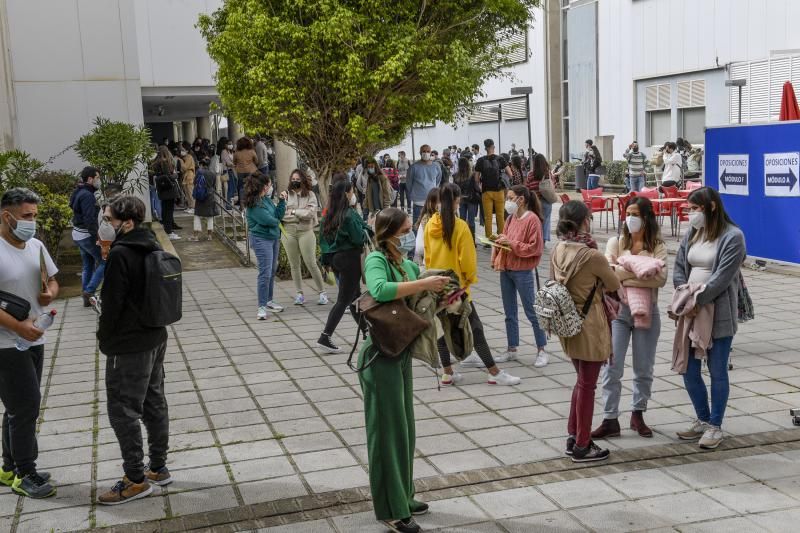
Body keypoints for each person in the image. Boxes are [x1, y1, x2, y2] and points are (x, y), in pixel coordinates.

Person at [359, 208, 449, 533]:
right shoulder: (376, 260)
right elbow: (380, 290)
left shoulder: (403, 261)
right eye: (405, 230)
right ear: (391, 232)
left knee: (405, 430)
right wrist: (424, 281)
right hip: (379, 355)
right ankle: (391, 510)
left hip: (400, 351)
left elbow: (421, 279)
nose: (410, 235)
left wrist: (443, 284)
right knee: (386, 434)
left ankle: (403, 496)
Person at [96, 196, 172, 505]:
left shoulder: (121, 254)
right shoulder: (152, 243)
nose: (105, 223)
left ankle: (135, 480)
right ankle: (157, 467)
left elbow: (112, 305)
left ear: (126, 223)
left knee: (123, 409)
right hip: (155, 335)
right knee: (154, 399)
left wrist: (104, 337)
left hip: (128, 344)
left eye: (109, 218)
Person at [425, 183, 521, 386]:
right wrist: (468, 280)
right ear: (457, 200)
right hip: (456, 286)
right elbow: (468, 261)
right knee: (475, 329)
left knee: (442, 329)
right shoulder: (460, 226)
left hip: (435, 283)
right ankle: (493, 372)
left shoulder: (430, 224)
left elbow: (426, 256)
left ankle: (447, 372)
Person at [673, 187, 746, 449]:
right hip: (689, 312)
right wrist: (684, 295)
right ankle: (702, 419)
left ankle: (715, 425)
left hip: (717, 313)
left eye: (695, 209)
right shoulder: (693, 233)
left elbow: (721, 280)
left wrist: (695, 300)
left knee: (717, 371)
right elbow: (680, 266)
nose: (691, 214)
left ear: (712, 207)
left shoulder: (733, 237)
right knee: (688, 369)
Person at [592, 197, 667, 440]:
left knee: (643, 368)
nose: (630, 218)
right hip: (618, 313)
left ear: (646, 217)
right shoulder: (616, 243)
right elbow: (608, 277)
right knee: (612, 367)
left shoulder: (657, 246)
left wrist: (624, 273)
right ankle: (610, 417)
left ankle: (638, 413)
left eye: (635, 213)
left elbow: (660, 279)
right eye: (627, 212)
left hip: (648, 312)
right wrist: (641, 271)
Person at [0, 188, 59, 499]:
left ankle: (8, 467)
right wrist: (19, 328)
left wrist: (50, 292)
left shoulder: (35, 245)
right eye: (26, 216)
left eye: (34, 216)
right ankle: (25, 473)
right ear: (6, 216)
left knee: (17, 407)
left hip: (34, 338)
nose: (32, 222)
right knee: (25, 408)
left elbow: (53, 279)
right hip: (6, 345)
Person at [551, 200, 620, 462]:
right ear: (585, 222)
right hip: (590, 324)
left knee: (581, 382)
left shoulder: (558, 248)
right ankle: (582, 444)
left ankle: (573, 436)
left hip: (567, 322)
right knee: (588, 386)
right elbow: (613, 283)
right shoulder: (591, 255)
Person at [492, 186, 552, 367]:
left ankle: (542, 349)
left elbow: (535, 247)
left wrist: (510, 242)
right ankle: (512, 348)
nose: (507, 202)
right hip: (507, 269)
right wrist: (498, 239)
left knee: (531, 311)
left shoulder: (532, 220)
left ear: (521, 200)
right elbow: (507, 237)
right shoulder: (511, 218)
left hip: (523, 271)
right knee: (509, 312)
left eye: (511, 198)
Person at [317, 180, 372, 353]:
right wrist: (369, 229)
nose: (353, 194)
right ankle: (325, 336)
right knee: (344, 300)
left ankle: (367, 332)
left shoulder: (330, 213)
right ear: (347, 193)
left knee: (354, 297)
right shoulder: (348, 213)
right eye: (352, 191)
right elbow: (358, 237)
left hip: (337, 258)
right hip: (350, 258)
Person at [282, 169, 328, 306]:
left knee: (311, 262)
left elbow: (310, 214)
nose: (295, 181)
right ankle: (299, 293)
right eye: (293, 179)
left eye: (297, 179)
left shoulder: (310, 195)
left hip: (305, 232)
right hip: (288, 232)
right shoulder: (285, 195)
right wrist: (297, 214)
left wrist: (294, 211)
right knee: (294, 264)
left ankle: (322, 292)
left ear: (303, 180)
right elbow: (281, 214)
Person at [244, 173, 286, 320]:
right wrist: (277, 220)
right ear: (263, 187)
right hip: (261, 240)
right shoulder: (254, 204)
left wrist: (281, 201)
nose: (271, 187)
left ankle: (269, 300)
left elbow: (278, 215)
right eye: (269, 185)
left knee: (272, 270)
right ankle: (261, 306)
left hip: (273, 238)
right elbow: (271, 220)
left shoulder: (266, 200)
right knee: (265, 272)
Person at [70, 166, 104, 306]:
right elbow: (89, 219)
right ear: (90, 179)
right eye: (97, 178)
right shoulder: (87, 196)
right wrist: (98, 238)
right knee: (105, 261)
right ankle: (89, 291)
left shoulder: (79, 191)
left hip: (78, 234)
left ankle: (87, 298)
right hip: (86, 236)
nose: (99, 181)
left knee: (88, 265)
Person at [475, 138, 513, 240]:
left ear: (485, 148)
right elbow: (510, 174)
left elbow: (476, 179)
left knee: (488, 217)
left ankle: (489, 238)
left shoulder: (480, 161)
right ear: (493, 147)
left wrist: (480, 187)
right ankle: (501, 236)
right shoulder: (500, 159)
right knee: (500, 216)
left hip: (486, 192)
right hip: (499, 191)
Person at [526, 154, 558, 244]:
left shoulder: (530, 174)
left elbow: (527, 188)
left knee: (535, 220)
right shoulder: (548, 173)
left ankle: (535, 238)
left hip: (534, 201)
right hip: (546, 201)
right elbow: (554, 185)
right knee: (546, 220)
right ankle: (543, 240)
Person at [406, 145, 442, 225]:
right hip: (418, 202)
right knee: (417, 225)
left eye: (428, 151)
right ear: (420, 152)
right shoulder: (414, 167)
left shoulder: (436, 166)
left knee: (433, 224)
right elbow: (409, 184)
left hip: (432, 201)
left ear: (431, 152)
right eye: (424, 151)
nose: (426, 153)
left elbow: (438, 180)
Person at [152, 146, 181, 240]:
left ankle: (168, 228)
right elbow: (168, 176)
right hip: (169, 189)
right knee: (169, 210)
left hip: (162, 189)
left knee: (165, 209)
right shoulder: (164, 162)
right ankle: (169, 231)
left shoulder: (156, 162)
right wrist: (176, 175)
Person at [189, 158, 219, 242]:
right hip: (210, 196)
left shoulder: (199, 172)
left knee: (197, 216)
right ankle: (209, 235)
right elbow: (213, 185)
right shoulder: (213, 174)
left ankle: (196, 236)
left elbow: (195, 182)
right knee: (210, 216)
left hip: (200, 196)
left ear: (202, 164)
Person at [452, 156, 480, 239]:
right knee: (471, 221)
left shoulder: (455, 176)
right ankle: (472, 240)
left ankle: (463, 239)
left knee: (462, 220)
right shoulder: (472, 175)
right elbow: (476, 188)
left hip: (461, 200)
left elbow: (455, 189)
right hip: (471, 199)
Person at [234, 137, 259, 206]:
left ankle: (241, 202)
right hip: (251, 170)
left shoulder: (237, 153)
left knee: (241, 187)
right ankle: (251, 201)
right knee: (251, 185)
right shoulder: (252, 151)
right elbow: (257, 161)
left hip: (240, 171)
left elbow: (234, 162)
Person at [179, 142, 196, 214]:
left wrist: (180, 161)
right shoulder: (185, 157)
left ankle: (193, 207)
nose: (181, 151)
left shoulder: (189, 157)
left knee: (190, 192)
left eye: (183, 149)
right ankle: (190, 206)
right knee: (187, 192)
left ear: (187, 150)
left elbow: (185, 167)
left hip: (189, 175)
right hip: (186, 176)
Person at [220, 138, 236, 204]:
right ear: (225, 145)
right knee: (229, 188)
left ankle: (230, 202)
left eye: (231, 144)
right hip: (226, 171)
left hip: (232, 170)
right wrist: (234, 164)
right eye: (229, 144)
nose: (231, 145)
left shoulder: (232, 152)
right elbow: (227, 162)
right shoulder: (224, 151)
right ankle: (228, 203)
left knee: (232, 187)